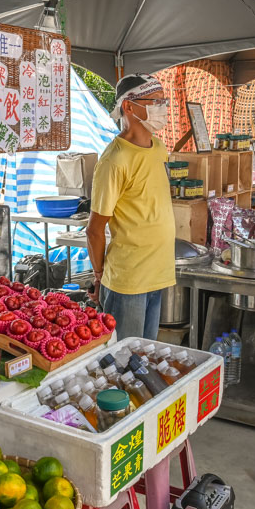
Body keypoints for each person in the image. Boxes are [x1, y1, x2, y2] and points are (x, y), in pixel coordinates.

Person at [86, 73, 175, 341]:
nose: (162, 108)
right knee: (123, 358)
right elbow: (94, 230)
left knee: (145, 356)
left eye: (163, 101)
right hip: (128, 279)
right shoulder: (115, 160)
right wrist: (100, 275)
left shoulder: (158, 148)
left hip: (159, 272)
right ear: (129, 106)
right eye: (155, 101)